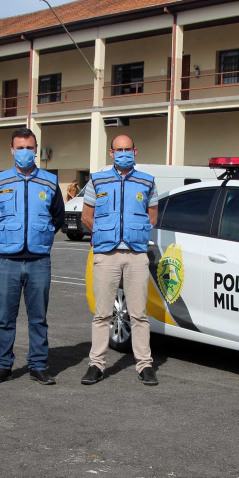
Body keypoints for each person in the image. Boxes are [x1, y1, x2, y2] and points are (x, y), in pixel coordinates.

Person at [0, 128, 64, 386]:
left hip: (39, 259)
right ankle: (2, 366)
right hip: (7, 259)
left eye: (29, 147)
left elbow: (58, 216)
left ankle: (38, 365)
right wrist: (12, 238)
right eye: (20, 147)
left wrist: (42, 235)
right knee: (5, 318)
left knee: (38, 318)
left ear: (36, 149)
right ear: (12, 150)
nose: (25, 152)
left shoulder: (50, 182)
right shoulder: (0, 181)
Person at [80, 135, 158, 386]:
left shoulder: (147, 182)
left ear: (135, 151)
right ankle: (96, 364)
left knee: (139, 314)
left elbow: (152, 216)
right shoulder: (96, 180)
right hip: (107, 254)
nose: (124, 153)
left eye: (128, 149)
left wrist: (133, 234)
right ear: (111, 153)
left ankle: (145, 365)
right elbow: (86, 216)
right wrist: (105, 235)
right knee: (102, 314)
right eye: (119, 149)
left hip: (136, 255)